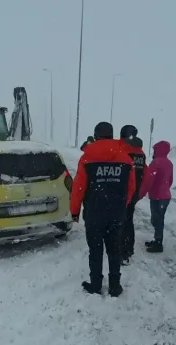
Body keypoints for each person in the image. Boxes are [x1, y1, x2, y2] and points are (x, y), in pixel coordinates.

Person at [70, 122, 136, 297]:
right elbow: (131, 187)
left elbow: (78, 188)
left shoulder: (87, 158)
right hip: (116, 214)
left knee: (95, 250)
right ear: (112, 135)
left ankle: (96, 284)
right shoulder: (126, 159)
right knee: (114, 249)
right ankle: (115, 285)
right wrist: (122, 204)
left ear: (95, 136)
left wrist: (75, 211)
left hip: (94, 214)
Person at [118, 124, 147, 264]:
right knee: (129, 220)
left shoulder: (122, 150)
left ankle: (122, 253)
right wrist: (139, 192)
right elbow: (145, 173)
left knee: (121, 221)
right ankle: (129, 247)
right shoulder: (141, 153)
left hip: (123, 192)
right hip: (135, 192)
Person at [138, 140, 173, 253]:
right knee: (159, 219)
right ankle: (157, 240)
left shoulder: (155, 163)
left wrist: (141, 194)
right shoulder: (169, 163)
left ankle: (158, 244)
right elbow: (170, 180)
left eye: (155, 150)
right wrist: (164, 189)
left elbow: (148, 181)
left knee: (157, 220)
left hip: (157, 197)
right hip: (165, 197)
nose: (153, 152)